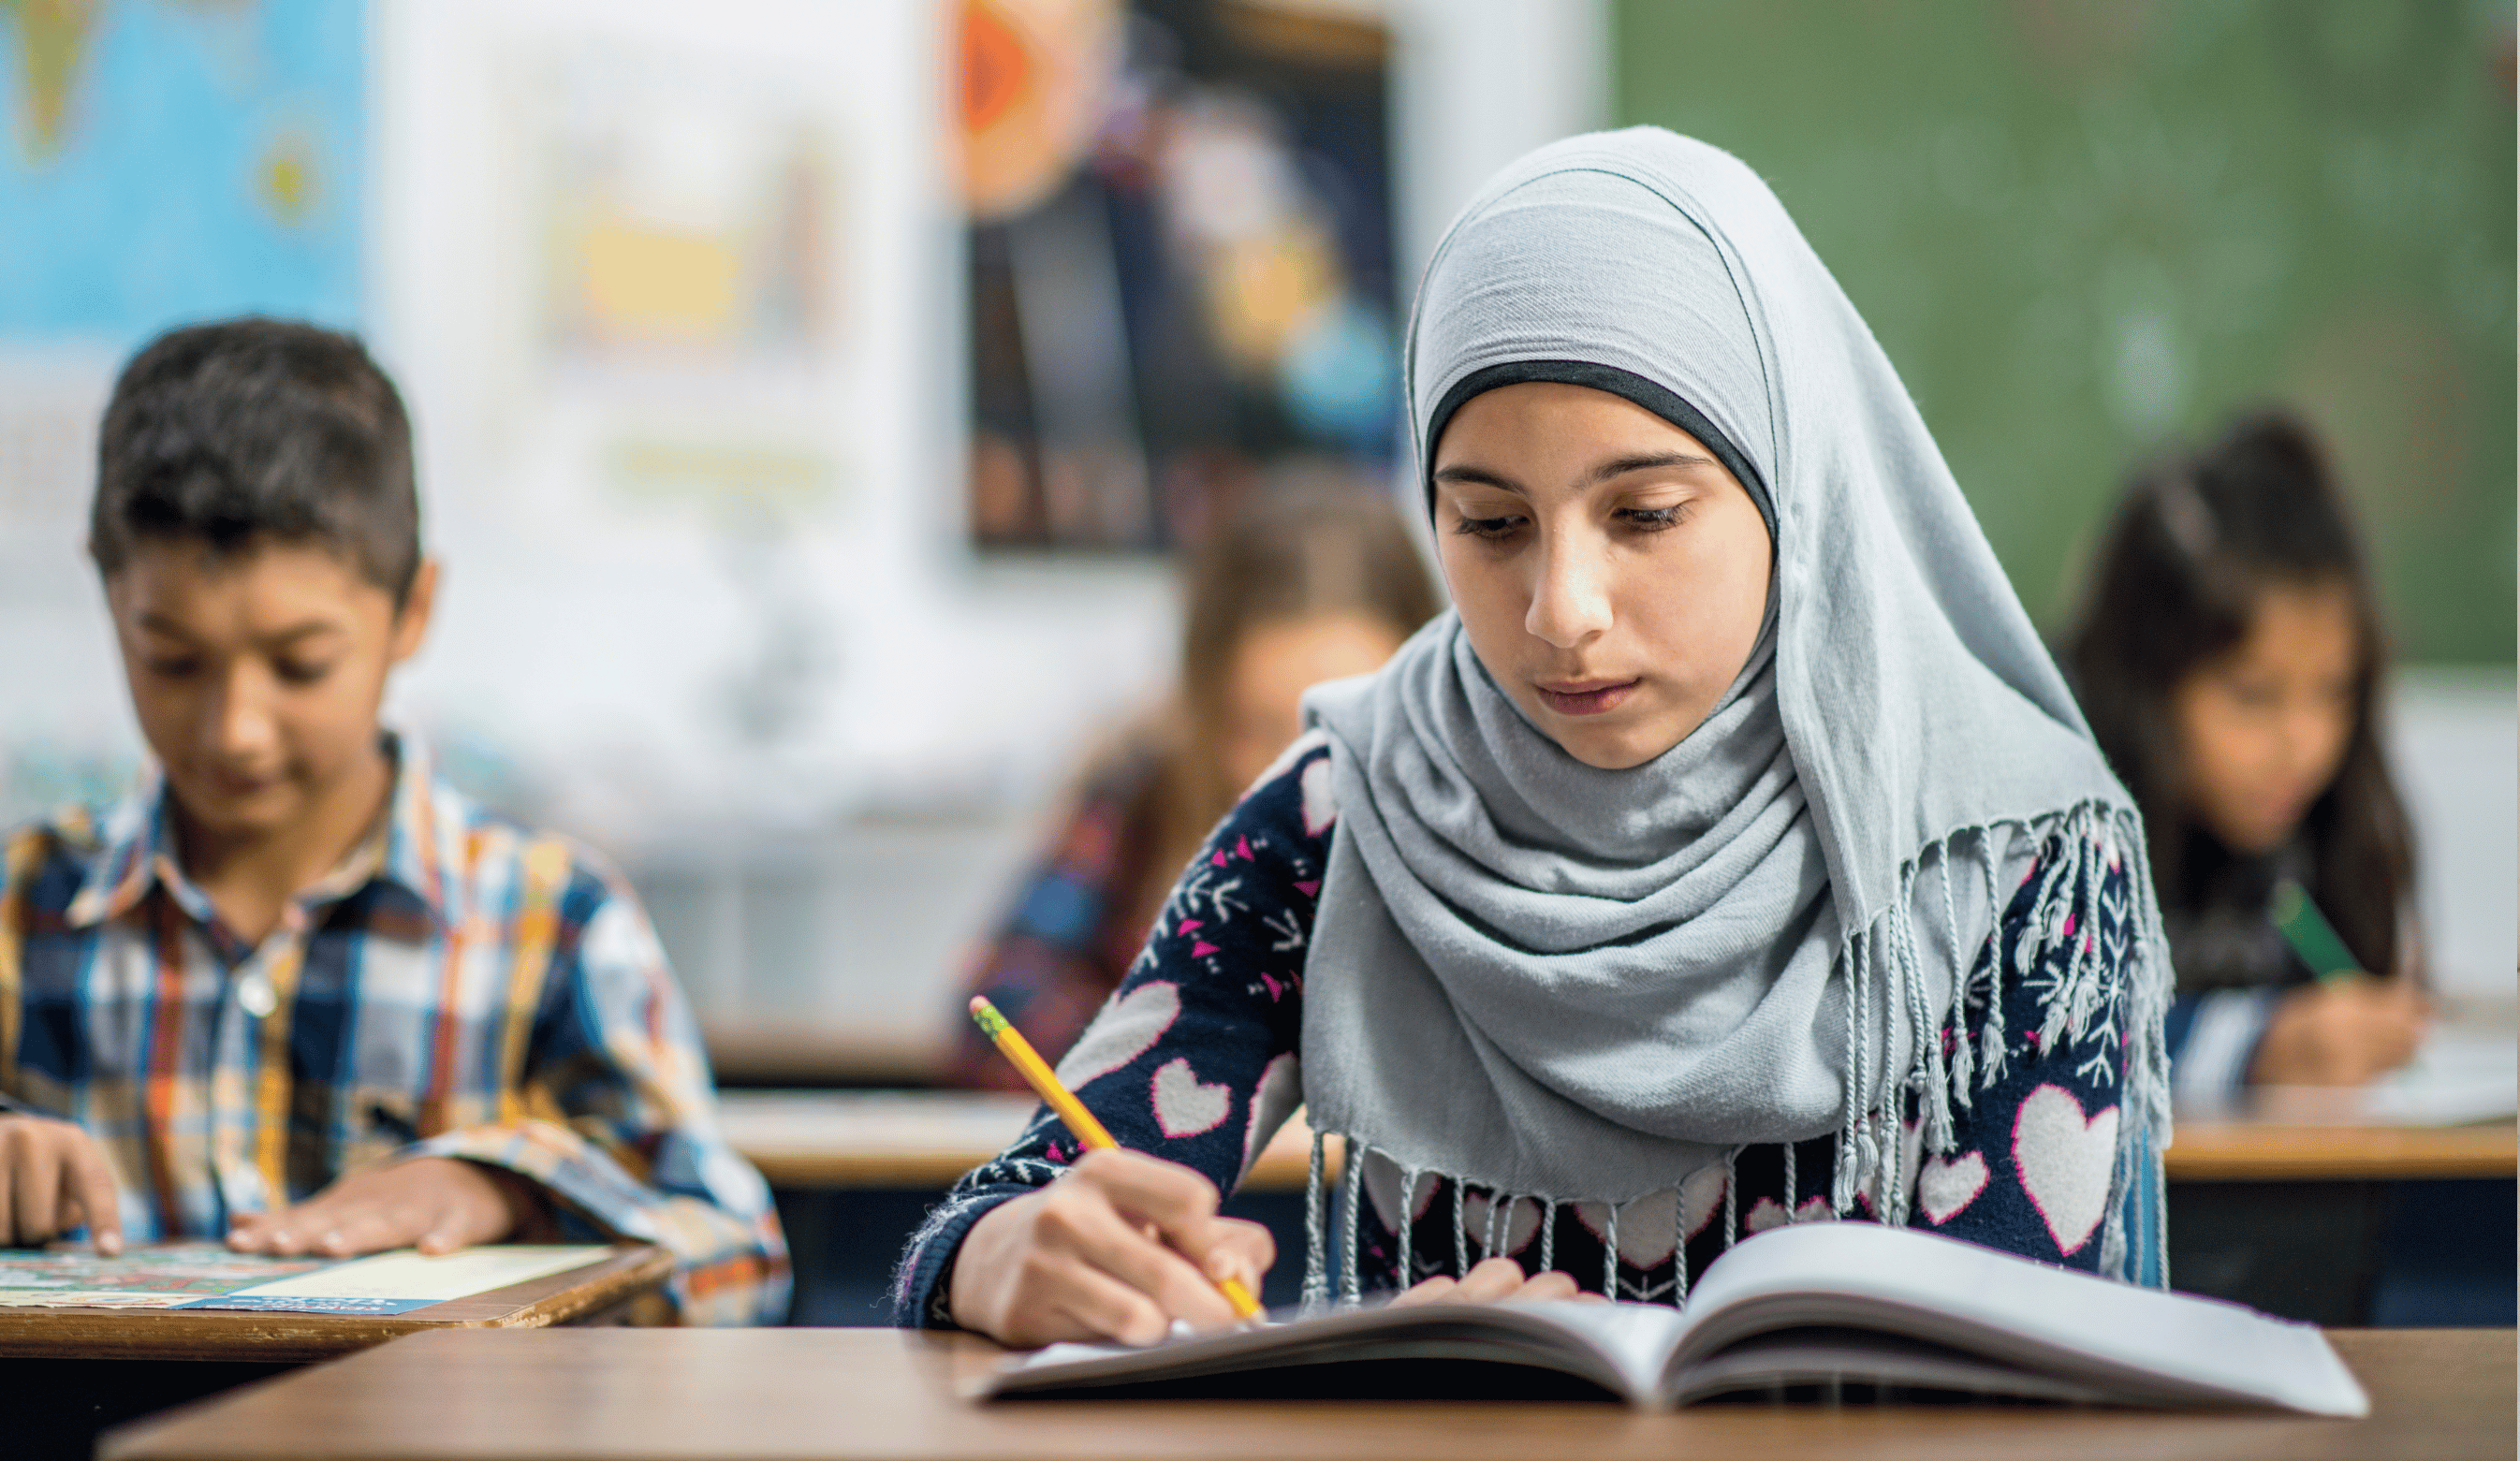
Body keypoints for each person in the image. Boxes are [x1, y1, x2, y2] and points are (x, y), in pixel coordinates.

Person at [895, 129, 2176, 1349]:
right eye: (1491, 526)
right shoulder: (1347, 809)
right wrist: (1003, 1256)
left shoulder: (2014, 851)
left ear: (1791, 485)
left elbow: (2020, 1379)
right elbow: (1016, 1206)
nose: (1561, 613)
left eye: (1647, 513)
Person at [0, 319, 788, 1325]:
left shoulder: (557, 924)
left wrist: (506, 1189)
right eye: (173, 658)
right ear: (112, 599)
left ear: (413, 610)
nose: (235, 730)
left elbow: (738, 1261)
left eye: (301, 664)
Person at [946, 471, 1442, 1088]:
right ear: (1205, 710)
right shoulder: (1142, 797)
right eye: (1257, 729)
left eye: (1346, 724)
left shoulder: (1485, 814)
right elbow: (1000, 1010)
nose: (1302, 773)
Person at [2068, 413, 2425, 1111]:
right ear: (2148, 678)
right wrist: (2255, 1050)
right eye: (2255, 696)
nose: (2306, 741)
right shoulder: (2057, 824)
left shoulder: (2322, 828)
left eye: (2335, 691)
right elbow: (2041, 1045)